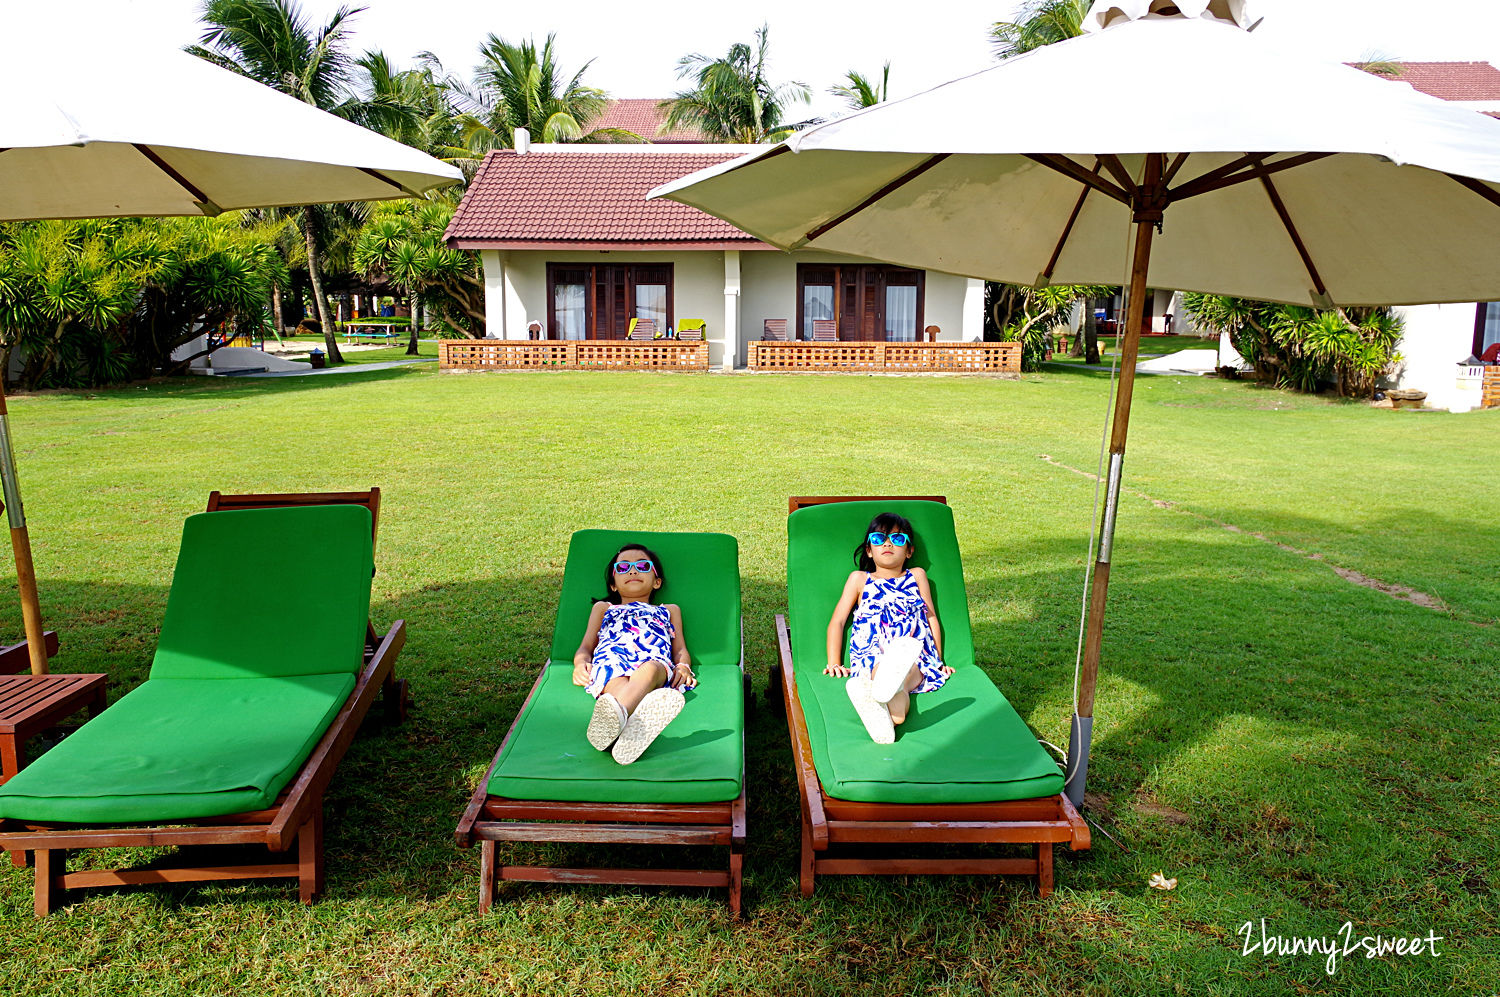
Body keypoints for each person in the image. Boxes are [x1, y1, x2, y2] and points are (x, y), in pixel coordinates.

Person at [824, 513, 952, 744]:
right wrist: (834, 662)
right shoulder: (859, 579)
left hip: (913, 653)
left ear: (909, 551)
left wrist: (938, 661)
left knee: (903, 675)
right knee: (886, 675)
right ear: (869, 550)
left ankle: (887, 713)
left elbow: (931, 617)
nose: (888, 543)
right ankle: (894, 715)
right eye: (879, 538)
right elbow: (838, 621)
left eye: (898, 539)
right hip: (874, 654)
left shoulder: (917, 575)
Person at [572, 544, 696, 764]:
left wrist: (683, 666)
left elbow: (680, 650)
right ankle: (628, 730)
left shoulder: (669, 610)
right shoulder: (604, 608)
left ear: (657, 581)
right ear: (613, 585)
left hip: (654, 662)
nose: (632, 571)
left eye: (642, 565)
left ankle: (610, 730)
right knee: (617, 687)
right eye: (623, 568)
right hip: (611, 663)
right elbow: (585, 646)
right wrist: (580, 663)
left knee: (649, 671)